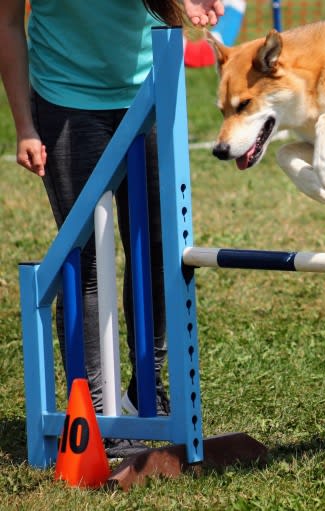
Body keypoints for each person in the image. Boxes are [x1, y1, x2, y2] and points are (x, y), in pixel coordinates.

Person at [0, 0, 224, 457]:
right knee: (84, 262)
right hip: (66, 102)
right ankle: (97, 409)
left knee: (161, 252)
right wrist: (24, 124)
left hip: (151, 91)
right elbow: (6, 23)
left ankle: (151, 391)